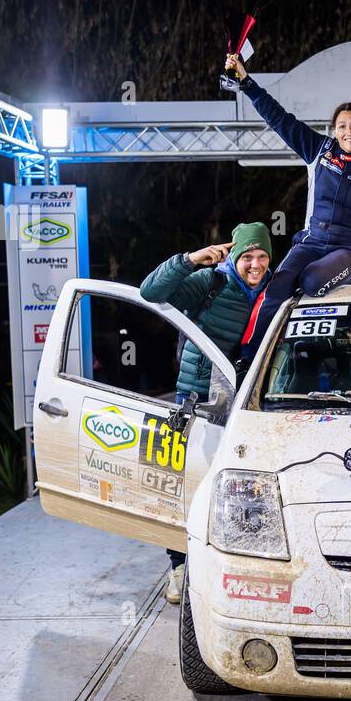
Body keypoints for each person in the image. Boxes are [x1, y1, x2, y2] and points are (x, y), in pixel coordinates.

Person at [226, 53, 351, 363]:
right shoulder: (319, 150)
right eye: (341, 126)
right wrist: (246, 82)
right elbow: (279, 118)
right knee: (276, 288)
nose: (348, 131)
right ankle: (250, 359)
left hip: (348, 251)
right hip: (312, 241)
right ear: (334, 131)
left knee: (310, 281)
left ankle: (308, 351)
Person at [140, 222, 274, 603]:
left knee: (236, 485)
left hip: (246, 403)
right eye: (247, 256)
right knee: (189, 482)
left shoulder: (274, 292)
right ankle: (179, 567)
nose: (255, 264)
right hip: (196, 397)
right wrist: (190, 259)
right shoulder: (210, 283)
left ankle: (231, 563)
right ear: (234, 255)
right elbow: (150, 291)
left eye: (262, 256)